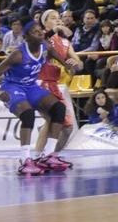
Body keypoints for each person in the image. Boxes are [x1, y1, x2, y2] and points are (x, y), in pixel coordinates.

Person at [0, 20, 77, 176]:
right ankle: (25, 160)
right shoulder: (18, 55)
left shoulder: (46, 47)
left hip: (32, 87)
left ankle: (49, 156)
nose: (41, 33)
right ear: (27, 36)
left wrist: (69, 65)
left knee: (59, 108)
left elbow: (64, 62)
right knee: (27, 114)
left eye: (41, 30)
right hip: (13, 87)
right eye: (36, 32)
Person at [34, 9, 82, 170]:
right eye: (53, 18)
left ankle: (51, 156)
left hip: (54, 85)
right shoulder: (39, 36)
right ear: (44, 22)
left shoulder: (65, 43)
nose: (57, 20)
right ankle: (35, 158)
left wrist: (75, 64)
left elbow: (78, 64)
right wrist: (55, 30)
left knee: (67, 128)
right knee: (50, 119)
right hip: (40, 83)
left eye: (58, 18)